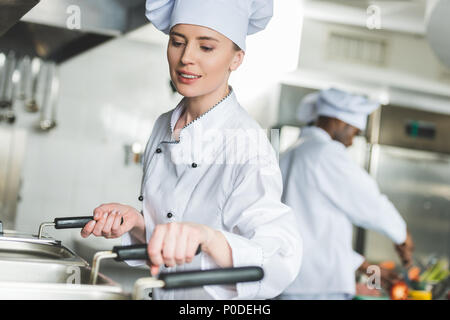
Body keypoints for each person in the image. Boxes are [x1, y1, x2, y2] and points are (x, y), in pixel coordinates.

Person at [80, 0, 302, 300]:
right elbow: (171, 241)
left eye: (206, 47)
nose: (186, 58)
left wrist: (208, 238)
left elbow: (279, 259)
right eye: (177, 42)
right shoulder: (163, 126)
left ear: (236, 59)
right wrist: (136, 223)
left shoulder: (246, 142)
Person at [277, 88, 414, 300]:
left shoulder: (290, 152)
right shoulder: (325, 153)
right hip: (318, 288)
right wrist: (401, 235)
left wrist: (361, 265)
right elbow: (370, 203)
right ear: (339, 122)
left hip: (289, 281)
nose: (351, 141)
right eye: (354, 132)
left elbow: (310, 231)